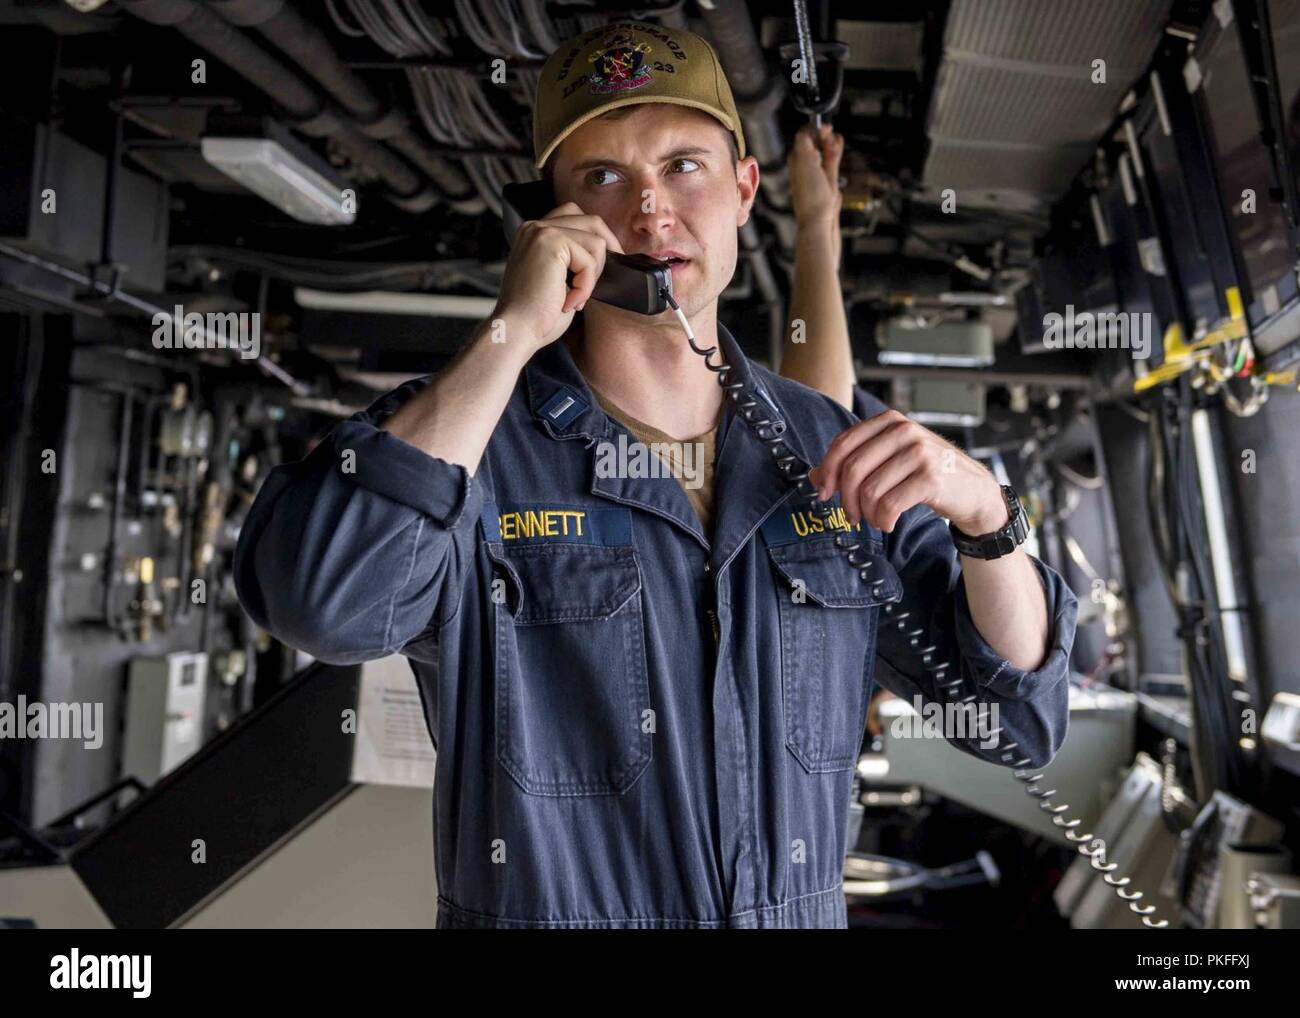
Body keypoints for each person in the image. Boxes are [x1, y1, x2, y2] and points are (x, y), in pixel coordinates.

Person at [234, 20, 1077, 929]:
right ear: (546, 221)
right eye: (603, 178)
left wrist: (989, 519)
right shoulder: (469, 443)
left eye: (685, 166)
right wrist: (510, 334)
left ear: (745, 189)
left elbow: (1014, 722)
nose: (650, 211)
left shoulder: (829, 448)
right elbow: (322, 608)